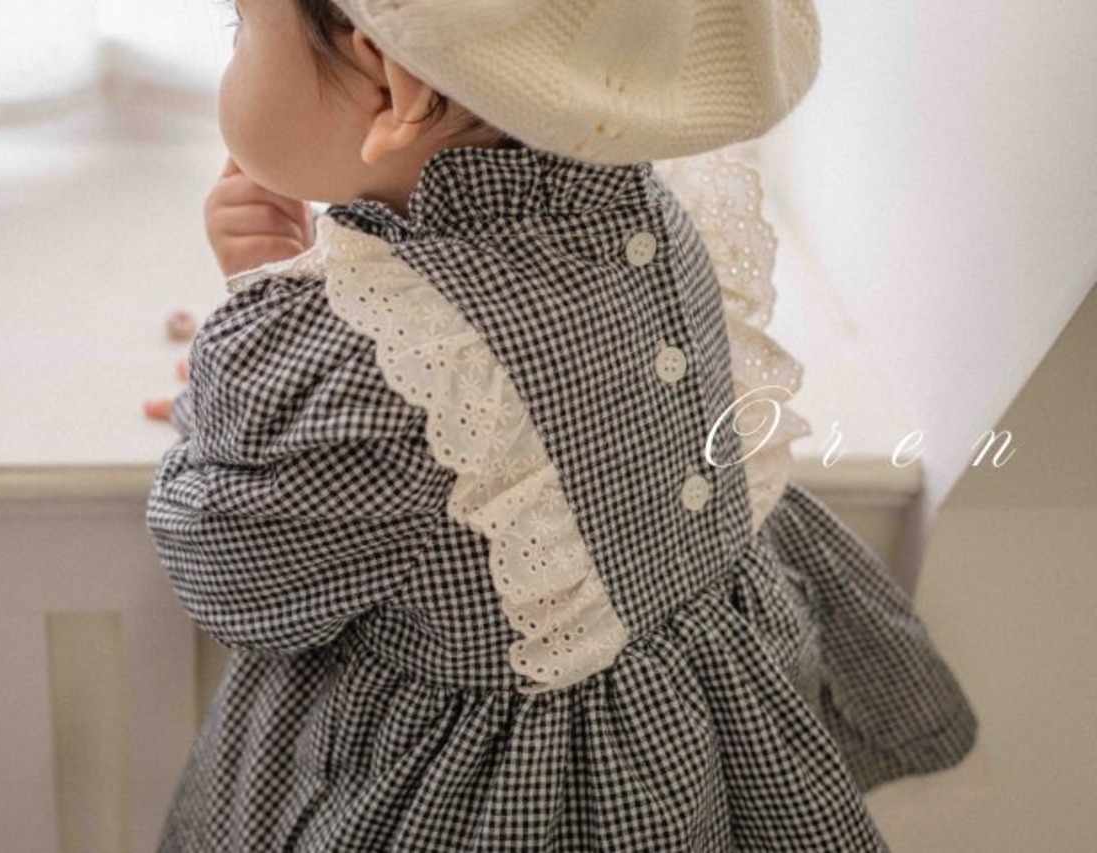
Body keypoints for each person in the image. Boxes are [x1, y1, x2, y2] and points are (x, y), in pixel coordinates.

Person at [144, 0, 978, 849]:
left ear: (391, 87)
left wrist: (253, 339)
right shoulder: (661, 217)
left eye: (239, 25)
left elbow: (230, 582)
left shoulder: (369, 363)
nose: (232, 51)